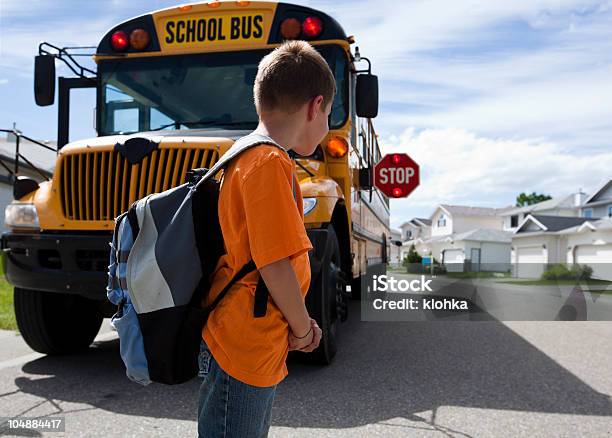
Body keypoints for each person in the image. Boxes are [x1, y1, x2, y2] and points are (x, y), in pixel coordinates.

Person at [197, 40, 337, 438]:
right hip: (245, 342)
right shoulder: (270, 162)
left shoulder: (244, 154)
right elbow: (273, 261)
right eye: (328, 114)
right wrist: (303, 329)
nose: (326, 126)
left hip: (248, 336)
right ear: (315, 106)